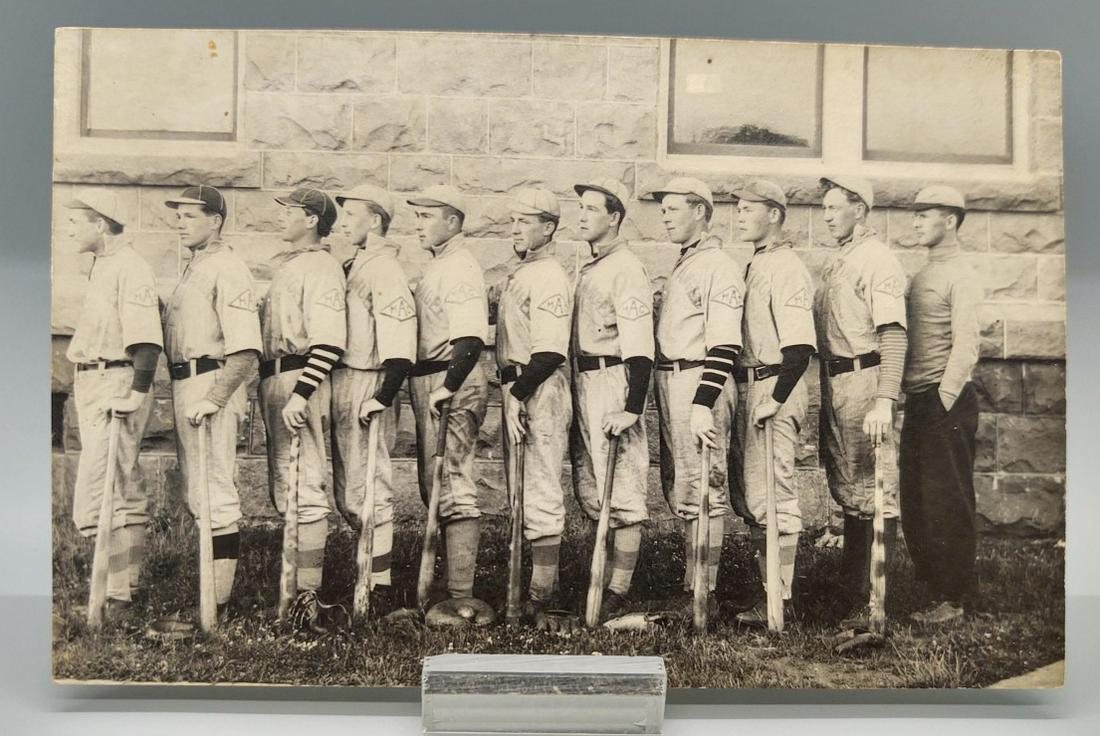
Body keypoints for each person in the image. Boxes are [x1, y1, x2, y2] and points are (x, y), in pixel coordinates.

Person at [163, 185, 262, 620]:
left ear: (215, 220)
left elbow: (245, 350)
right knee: (198, 493)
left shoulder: (229, 268)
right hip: (188, 381)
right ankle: (209, 599)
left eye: (189, 215)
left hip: (211, 383)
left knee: (216, 491)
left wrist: (216, 398)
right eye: (178, 215)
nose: (179, 222)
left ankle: (216, 607)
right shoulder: (195, 266)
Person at [814, 176, 908, 631]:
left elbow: (892, 331)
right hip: (836, 379)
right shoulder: (840, 259)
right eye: (825, 207)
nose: (827, 215)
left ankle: (873, 601)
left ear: (861, 210)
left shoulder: (878, 260)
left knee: (875, 491)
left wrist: (885, 400)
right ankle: (849, 591)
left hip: (867, 377)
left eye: (835, 207)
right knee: (850, 490)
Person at [64, 189, 163, 618]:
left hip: (117, 381)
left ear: (100, 224)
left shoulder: (130, 267)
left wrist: (135, 393)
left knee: (101, 495)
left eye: (77, 220)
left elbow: (146, 342)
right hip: (93, 380)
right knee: (119, 485)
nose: (71, 228)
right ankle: (126, 589)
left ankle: (118, 596)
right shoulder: (101, 266)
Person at [725, 180, 817, 626]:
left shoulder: (787, 268)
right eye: (737, 209)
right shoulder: (755, 264)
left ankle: (781, 601)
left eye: (749, 208)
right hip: (750, 384)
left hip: (774, 385)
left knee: (775, 495)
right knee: (752, 498)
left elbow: (799, 349)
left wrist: (775, 399)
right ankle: (767, 594)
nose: (740, 216)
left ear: (775, 214)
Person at [648, 177, 742, 616]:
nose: (665, 216)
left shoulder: (717, 265)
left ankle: (706, 593)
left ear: (700, 211)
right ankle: (692, 590)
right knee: (685, 487)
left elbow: (725, 343)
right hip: (673, 379)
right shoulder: (688, 262)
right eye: (662, 209)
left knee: (706, 486)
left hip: (699, 381)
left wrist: (704, 401)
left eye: (673, 208)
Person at [259, 188, 347, 627]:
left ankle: (308, 597)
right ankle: (292, 591)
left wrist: (302, 393)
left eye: (290, 212)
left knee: (307, 484)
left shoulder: (322, 267)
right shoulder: (289, 265)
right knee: (285, 484)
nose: (282, 218)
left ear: (312, 219)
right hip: (275, 376)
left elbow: (329, 340)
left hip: (300, 378)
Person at [569, 178, 654, 620]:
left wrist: (632, 406)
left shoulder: (626, 268)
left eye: (591, 208)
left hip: (612, 379)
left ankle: (620, 589)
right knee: (591, 485)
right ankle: (596, 582)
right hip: (582, 378)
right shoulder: (588, 266)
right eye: (579, 208)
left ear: (615, 217)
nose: (582, 215)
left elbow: (640, 347)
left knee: (621, 489)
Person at [330, 184, 416, 614]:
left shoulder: (385, 269)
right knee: (348, 491)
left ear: (376, 220)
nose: (343, 223)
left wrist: (383, 396)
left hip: (369, 379)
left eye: (351, 215)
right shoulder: (357, 263)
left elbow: (400, 346)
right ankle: (365, 571)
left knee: (370, 488)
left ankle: (378, 589)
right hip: (344, 379)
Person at [900, 185, 982, 625]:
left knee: (947, 499)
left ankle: (954, 597)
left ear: (949, 220)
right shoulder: (922, 273)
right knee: (917, 499)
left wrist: (942, 400)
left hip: (944, 402)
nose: (916, 222)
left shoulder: (962, 274)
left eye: (924, 215)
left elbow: (966, 345)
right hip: (919, 399)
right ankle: (935, 587)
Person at [407, 184, 489, 601]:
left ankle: (461, 594)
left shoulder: (460, 267)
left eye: (426, 216)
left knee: (453, 482)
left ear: (452, 221)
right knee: (434, 483)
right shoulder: (439, 264)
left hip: (451, 379)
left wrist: (448, 387)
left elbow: (471, 337)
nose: (417, 224)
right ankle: (447, 585)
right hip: (433, 379)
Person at [496, 187, 574, 623]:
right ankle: (527, 591)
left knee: (540, 486)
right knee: (521, 489)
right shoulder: (525, 271)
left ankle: (545, 596)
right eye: (514, 221)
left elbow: (550, 352)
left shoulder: (548, 276)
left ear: (549, 227)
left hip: (538, 386)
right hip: (522, 384)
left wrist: (517, 393)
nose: (516, 229)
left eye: (526, 221)